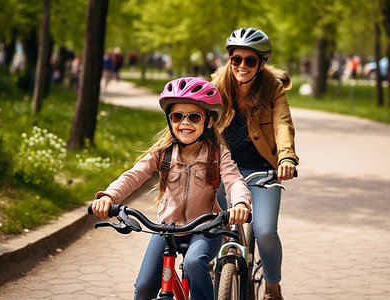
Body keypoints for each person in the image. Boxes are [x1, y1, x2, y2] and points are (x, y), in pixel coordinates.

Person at [91, 77, 252, 300]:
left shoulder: (217, 154)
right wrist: (109, 196)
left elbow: (234, 181)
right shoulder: (163, 152)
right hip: (167, 228)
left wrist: (241, 203)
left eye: (194, 117)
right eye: (177, 116)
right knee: (145, 287)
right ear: (170, 120)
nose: (185, 123)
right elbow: (134, 175)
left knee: (195, 263)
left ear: (208, 122)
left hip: (206, 228)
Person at [211, 27, 299, 300]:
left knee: (264, 231)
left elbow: (283, 124)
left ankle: (272, 287)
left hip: (262, 171)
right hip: (222, 170)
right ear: (230, 59)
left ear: (261, 63)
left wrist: (286, 157)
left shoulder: (272, 89)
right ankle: (216, 272)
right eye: (236, 59)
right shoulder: (215, 86)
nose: (242, 66)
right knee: (213, 228)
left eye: (251, 60)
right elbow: (195, 120)